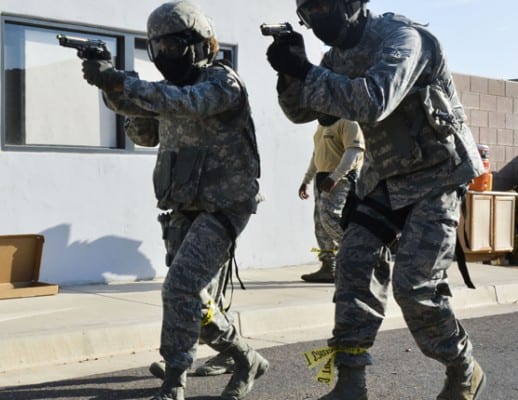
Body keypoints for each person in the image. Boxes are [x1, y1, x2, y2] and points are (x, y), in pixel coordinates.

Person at [266, 0, 487, 399]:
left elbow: (373, 100)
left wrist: (307, 71)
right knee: (352, 266)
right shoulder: (336, 57)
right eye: (307, 11)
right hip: (385, 177)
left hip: (437, 174)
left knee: (415, 287)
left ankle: (463, 368)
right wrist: (288, 71)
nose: (315, 18)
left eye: (321, 5)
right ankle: (351, 383)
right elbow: (302, 113)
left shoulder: (404, 39)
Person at [79, 2, 267, 399]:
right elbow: (146, 133)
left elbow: (186, 103)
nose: (164, 54)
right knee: (193, 298)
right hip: (183, 205)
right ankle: (245, 356)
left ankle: (173, 383)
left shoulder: (221, 82)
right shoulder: (168, 92)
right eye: (157, 46)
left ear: (198, 44)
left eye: (172, 44)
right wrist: (109, 86)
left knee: (179, 288)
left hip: (224, 205)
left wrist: (121, 83)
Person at [298, 117, 364, 283]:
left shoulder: (348, 121)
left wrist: (335, 177)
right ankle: (329, 267)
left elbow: (354, 151)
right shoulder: (322, 124)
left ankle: (359, 253)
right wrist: (306, 180)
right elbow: (316, 154)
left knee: (330, 218)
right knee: (320, 223)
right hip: (322, 176)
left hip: (340, 178)